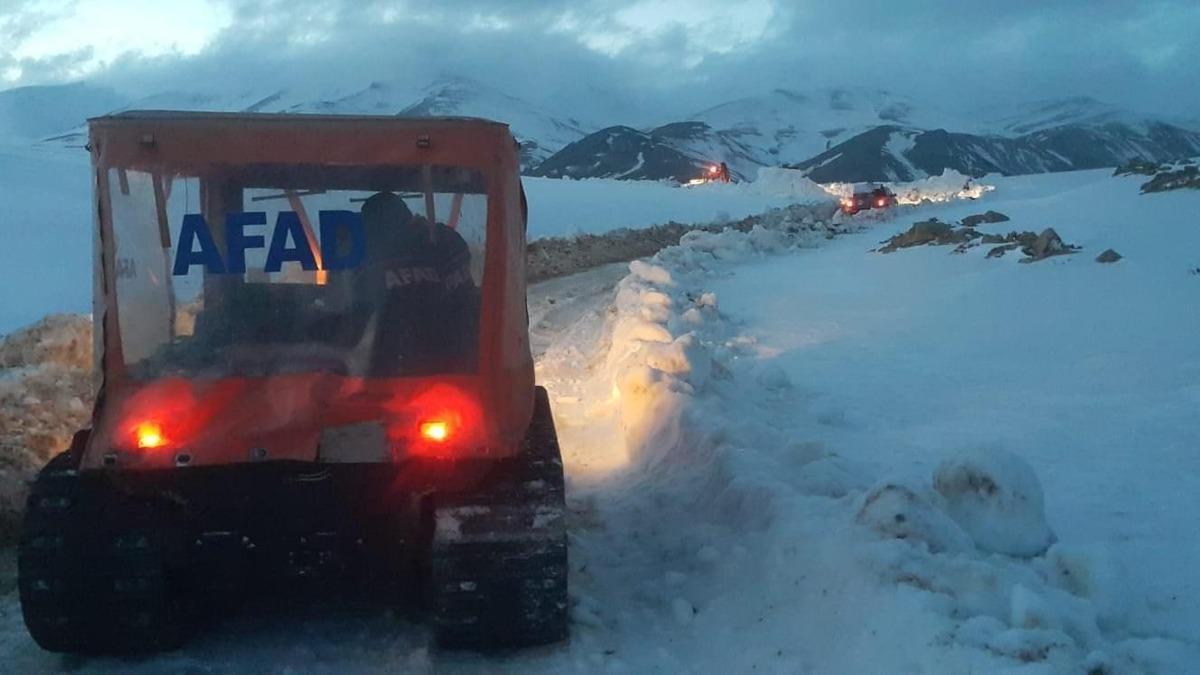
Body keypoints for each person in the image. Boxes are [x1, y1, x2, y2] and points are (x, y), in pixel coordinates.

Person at [357, 192, 478, 376]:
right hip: (381, 369)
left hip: (446, 367)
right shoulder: (365, 259)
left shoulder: (442, 243)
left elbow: (462, 306)